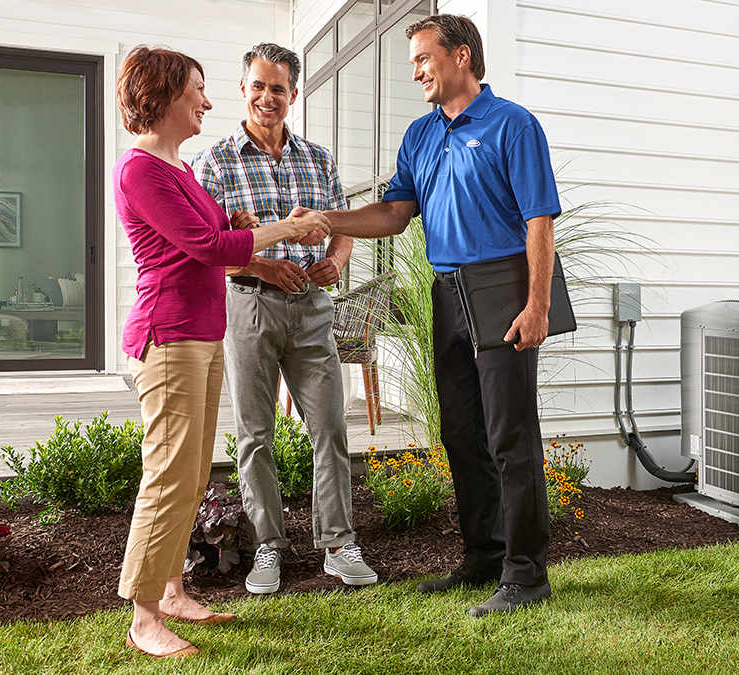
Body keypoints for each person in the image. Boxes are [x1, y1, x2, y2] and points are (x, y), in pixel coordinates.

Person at [324, 14, 560, 618]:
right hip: (446, 290)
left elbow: (539, 220)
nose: (416, 73)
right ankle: (484, 555)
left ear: (461, 56)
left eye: (424, 59)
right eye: (413, 63)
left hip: (503, 287)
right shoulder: (420, 134)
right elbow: (395, 213)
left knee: (510, 435)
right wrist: (327, 220)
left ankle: (526, 573)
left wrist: (536, 305)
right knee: (460, 431)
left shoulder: (512, 124)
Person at [114, 46, 327, 658]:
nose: (207, 103)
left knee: (192, 475)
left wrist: (239, 221)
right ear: (163, 96)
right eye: (197, 91)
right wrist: (287, 228)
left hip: (202, 334)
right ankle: (144, 618)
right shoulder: (140, 171)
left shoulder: (178, 169)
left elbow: (219, 234)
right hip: (169, 336)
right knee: (168, 475)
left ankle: (172, 591)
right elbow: (210, 248)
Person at [191, 43, 377, 596]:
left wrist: (336, 261)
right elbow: (207, 246)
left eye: (277, 88)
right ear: (243, 89)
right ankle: (268, 544)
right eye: (258, 86)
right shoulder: (215, 162)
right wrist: (262, 266)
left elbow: (343, 226)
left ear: (293, 94)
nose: (267, 97)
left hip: (313, 309)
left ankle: (338, 544)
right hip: (249, 304)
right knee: (255, 433)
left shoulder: (318, 159)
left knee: (330, 427)